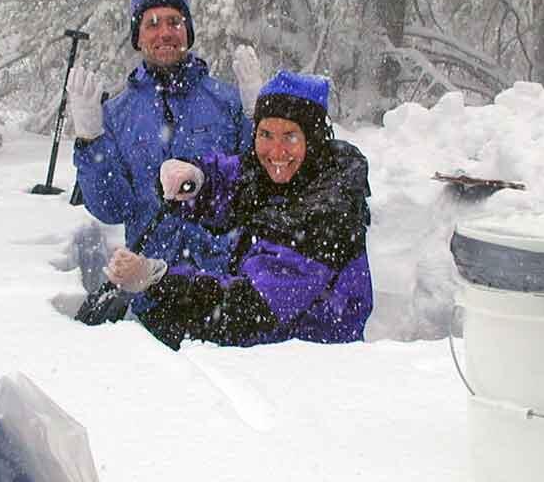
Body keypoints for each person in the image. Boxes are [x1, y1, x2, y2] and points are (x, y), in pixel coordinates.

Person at [104, 69, 373, 349]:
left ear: (314, 139)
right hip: (268, 347)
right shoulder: (283, 174)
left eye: (290, 136)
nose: (276, 151)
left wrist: (158, 277)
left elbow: (252, 309)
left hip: (308, 360)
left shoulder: (326, 210)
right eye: (266, 134)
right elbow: (233, 178)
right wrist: (195, 177)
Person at [67, 0, 259, 314]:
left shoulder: (226, 102)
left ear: (187, 31)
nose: (165, 32)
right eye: (152, 23)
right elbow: (111, 208)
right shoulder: (117, 114)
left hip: (225, 290)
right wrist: (90, 140)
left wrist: (257, 118)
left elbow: (257, 185)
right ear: (138, 36)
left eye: (174, 22)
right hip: (151, 293)